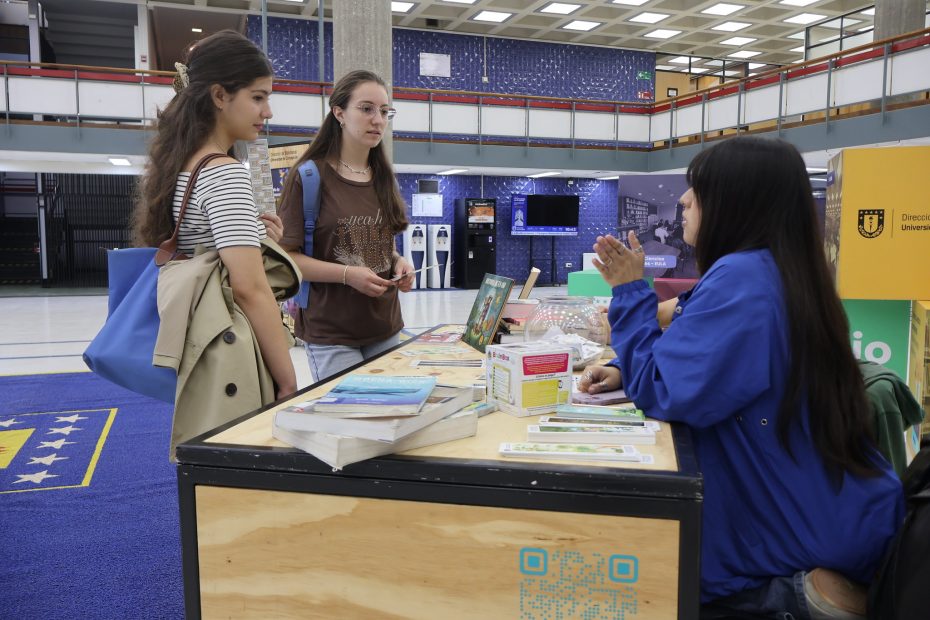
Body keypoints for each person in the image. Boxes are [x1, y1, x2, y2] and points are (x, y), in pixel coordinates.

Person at [579, 136, 903, 618]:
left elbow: (668, 392)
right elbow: (695, 349)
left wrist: (629, 292)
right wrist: (625, 367)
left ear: (737, 201)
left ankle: (796, 600)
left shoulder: (743, 280)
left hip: (786, 531)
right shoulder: (776, 269)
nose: (684, 201)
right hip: (825, 506)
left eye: (697, 190)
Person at [133, 30, 298, 453]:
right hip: (229, 339)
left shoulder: (182, 163)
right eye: (258, 97)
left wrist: (257, 237)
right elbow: (250, 287)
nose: (268, 110)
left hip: (201, 338)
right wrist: (287, 376)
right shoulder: (224, 172)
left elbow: (202, 245)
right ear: (220, 96)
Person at [278, 70, 414, 382]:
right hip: (331, 333)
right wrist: (347, 275)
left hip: (386, 326)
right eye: (366, 109)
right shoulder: (309, 177)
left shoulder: (382, 177)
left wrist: (398, 263)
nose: (377, 120)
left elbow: (383, 245)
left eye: (384, 111)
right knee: (351, 422)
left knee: (389, 420)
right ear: (339, 112)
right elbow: (288, 258)